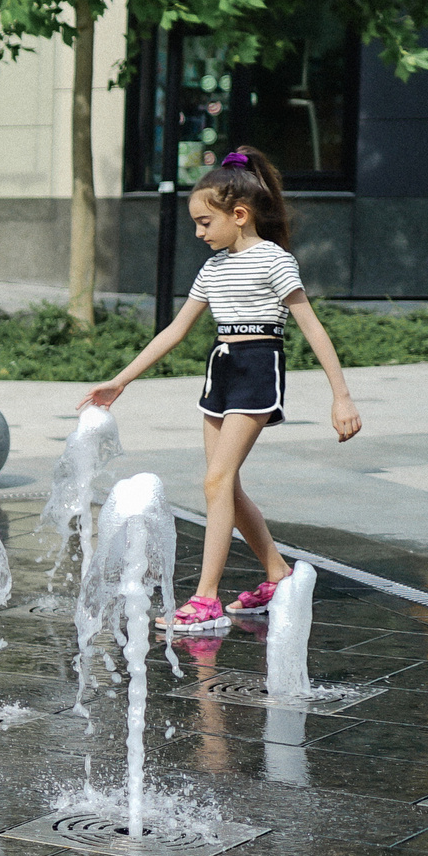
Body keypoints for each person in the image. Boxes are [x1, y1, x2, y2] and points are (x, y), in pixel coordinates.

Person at [79, 146, 361, 631]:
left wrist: (342, 396)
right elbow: (175, 330)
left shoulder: (274, 261)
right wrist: (121, 380)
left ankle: (206, 599)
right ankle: (277, 575)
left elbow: (313, 328)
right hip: (222, 369)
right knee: (224, 483)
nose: (198, 232)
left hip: (258, 367)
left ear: (239, 214)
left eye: (205, 222)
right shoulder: (213, 269)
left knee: (215, 482)